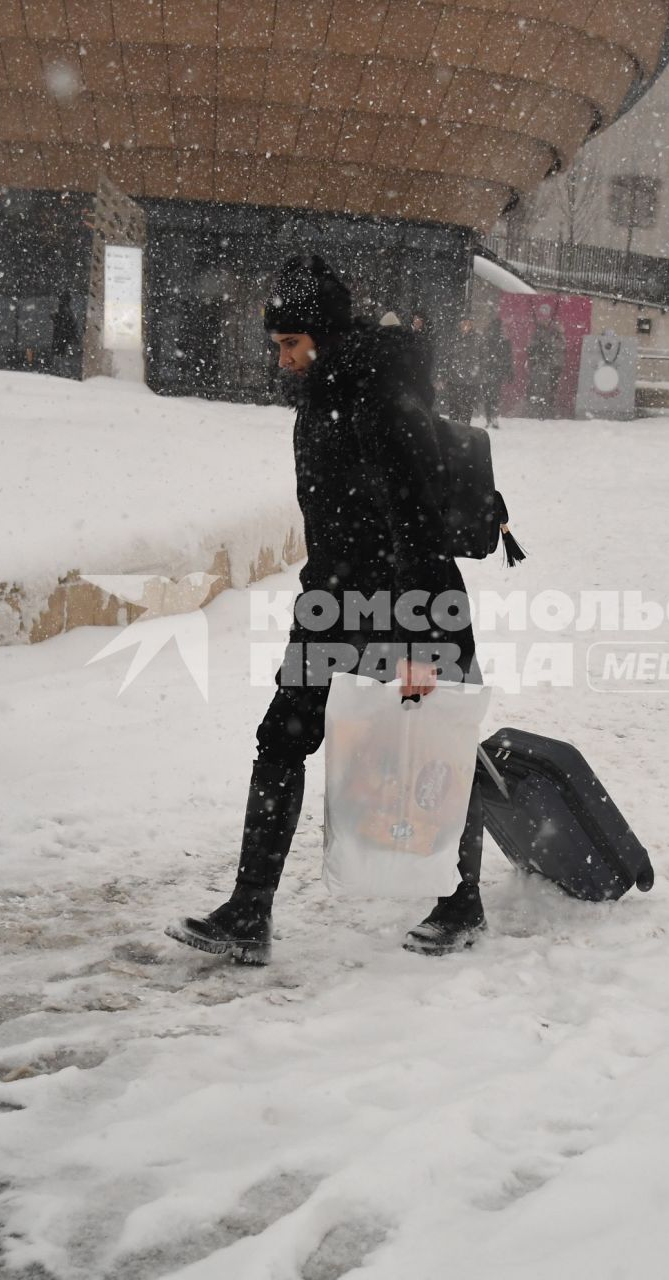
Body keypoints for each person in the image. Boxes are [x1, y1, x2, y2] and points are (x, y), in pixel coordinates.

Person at [167, 256, 490, 965]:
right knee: (281, 739)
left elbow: (416, 523)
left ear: (325, 334)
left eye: (291, 345)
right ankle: (249, 913)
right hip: (333, 603)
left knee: (437, 741)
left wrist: (419, 637)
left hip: (410, 599)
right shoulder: (320, 398)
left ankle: (462, 904)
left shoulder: (382, 398)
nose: (282, 360)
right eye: (277, 346)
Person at [441, 316, 482, 425]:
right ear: (460, 325)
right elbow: (447, 357)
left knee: (466, 411)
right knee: (454, 410)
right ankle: (453, 435)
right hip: (454, 380)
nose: (466, 326)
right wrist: (445, 375)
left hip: (470, 381)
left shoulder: (477, 339)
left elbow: (481, 358)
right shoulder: (454, 338)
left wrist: (478, 376)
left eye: (469, 324)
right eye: (464, 323)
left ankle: (464, 434)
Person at [524, 310, 563, 417]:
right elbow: (530, 349)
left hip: (547, 366)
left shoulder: (552, 337)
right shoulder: (536, 336)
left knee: (545, 388)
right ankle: (536, 410)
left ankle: (544, 410)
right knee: (537, 387)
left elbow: (555, 349)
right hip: (539, 365)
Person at [480, 315, 512, 428]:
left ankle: (490, 417)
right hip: (494, 370)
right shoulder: (502, 340)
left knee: (490, 396)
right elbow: (508, 358)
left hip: (491, 370)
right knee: (493, 396)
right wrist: (509, 372)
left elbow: (508, 357)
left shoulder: (487, 338)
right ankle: (492, 417)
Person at [50, 292, 80, 375]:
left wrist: (55, 318)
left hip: (63, 338)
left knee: (61, 357)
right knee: (64, 357)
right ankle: (62, 372)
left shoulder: (63, 309)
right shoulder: (67, 309)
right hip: (64, 338)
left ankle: (60, 372)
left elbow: (62, 325)